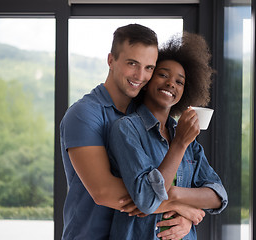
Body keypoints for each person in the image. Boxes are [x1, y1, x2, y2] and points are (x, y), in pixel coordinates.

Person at [107, 32, 228, 240]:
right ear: (148, 79)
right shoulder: (126, 129)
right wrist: (179, 144)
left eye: (180, 82)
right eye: (163, 74)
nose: (171, 83)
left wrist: (175, 196)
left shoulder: (187, 139)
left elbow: (218, 196)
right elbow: (147, 199)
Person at [60, 23, 160, 239]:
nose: (140, 75)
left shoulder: (146, 115)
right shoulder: (83, 114)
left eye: (149, 68)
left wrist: (185, 212)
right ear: (111, 60)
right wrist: (182, 204)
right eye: (132, 63)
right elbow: (104, 192)